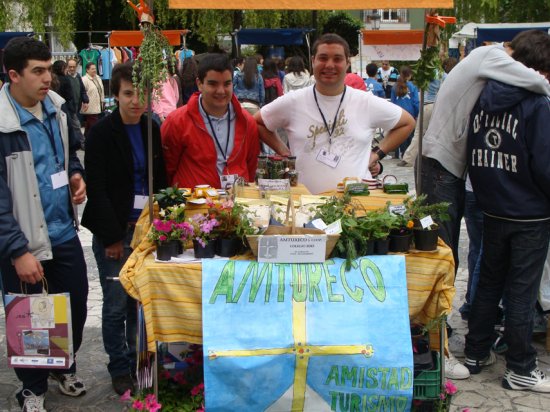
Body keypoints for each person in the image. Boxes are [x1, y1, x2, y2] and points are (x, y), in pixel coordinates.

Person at [418, 35, 550, 381]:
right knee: (443, 259)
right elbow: (537, 81)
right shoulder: (489, 54)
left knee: (462, 265)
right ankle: (439, 351)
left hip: (465, 181)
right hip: (447, 169)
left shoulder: (488, 90)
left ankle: (472, 351)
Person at [0, 36, 88, 411]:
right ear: (13, 75)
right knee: (29, 318)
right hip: (23, 241)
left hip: (63, 232)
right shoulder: (3, 124)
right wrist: (17, 249)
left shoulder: (57, 108)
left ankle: (63, 366)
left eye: (49, 69)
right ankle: (32, 389)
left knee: (76, 306)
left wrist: (76, 174)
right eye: (37, 71)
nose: (47, 78)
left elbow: (69, 154)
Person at [463, 30, 550, 392]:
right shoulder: (537, 102)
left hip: (492, 206)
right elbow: (545, 164)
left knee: (488, 283)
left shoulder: (482, 96)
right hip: (530, 212)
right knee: (521, 292)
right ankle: (520, 366)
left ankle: (475, 352)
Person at [81, 61, 167, 396]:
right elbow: (97, 188)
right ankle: (119, 366)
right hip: (117, 230)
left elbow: (160, 179)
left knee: (142, 303)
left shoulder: (152, 127)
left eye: (142, 92)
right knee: (117, 303)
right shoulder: (101, 133)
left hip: (146, 230)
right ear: (115, 94)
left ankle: (141, 364)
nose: (136, 100)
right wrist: (113, 238)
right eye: (128, 93)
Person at [254, 33, 415, 195]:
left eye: (337, 59)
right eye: (323, 58)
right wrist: (284, 152)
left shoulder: (365, 102)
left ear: (347, 64)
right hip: (306, 204)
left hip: (357, 205)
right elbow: (258, 122)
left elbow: (407, 123)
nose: (329, 65)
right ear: (313, 61)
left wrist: (376, 154)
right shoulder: (293, 101)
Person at [161, 53, 260, 189]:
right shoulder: (177, 121)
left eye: (227, 84)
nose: (221, 91)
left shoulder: (247, 122)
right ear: (199, 84)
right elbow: (167, 167)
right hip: (194, 205)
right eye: (213, 84)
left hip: (236, 204)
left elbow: (251, 164)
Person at [398, 57, 457, 168]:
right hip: (437, 105)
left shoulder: (424, 74)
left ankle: (408, 159)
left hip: (426, 105)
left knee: (419, 133)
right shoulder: (443, 75)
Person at [390, 66, 419, 159]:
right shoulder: (412, 86)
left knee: (400, 135)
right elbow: (415, 102)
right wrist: (417, 113)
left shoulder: (394, 86)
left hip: (398, 114)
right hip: (410, 114)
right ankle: (408, 156)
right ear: (409, 75)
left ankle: (400, 153)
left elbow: (392, 102)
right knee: (410, 135)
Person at [66, 58, 89, 148]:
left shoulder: (78, 76)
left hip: (77, 105)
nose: (72, 69)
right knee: (76, 125)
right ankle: (82, 143)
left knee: (75, 124)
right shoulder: (65, 78)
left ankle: (74, 142)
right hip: (69, 106)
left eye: (73, 67)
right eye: (70, 67)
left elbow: (82, 90)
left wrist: (85, 101)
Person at [81, 62, 104, 137]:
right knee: (94, 125)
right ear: (87, 70)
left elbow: (101, 90)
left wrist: (103, 101)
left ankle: (85, 139)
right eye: (92, 69)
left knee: (89, 126)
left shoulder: (98, 78)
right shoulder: (84, 80)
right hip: (90, 107)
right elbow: (82, 93)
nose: (94, 70)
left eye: (95, 68)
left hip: (98, 105)